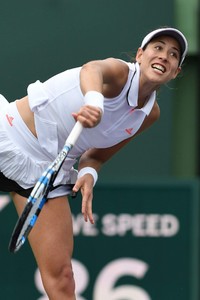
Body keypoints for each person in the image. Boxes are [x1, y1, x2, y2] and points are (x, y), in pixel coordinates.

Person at [0, 27, 188, 299]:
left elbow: (97, 155)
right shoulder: (119, 72)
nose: (164, 56)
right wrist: (94, 101)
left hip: (47, 171)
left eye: (173, 55)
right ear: (140, 54)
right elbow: (92, 70)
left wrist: (88, 172)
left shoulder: (149, 114)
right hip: (9, 133)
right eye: (157, 48)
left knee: (62, 277)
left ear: (175, 72)